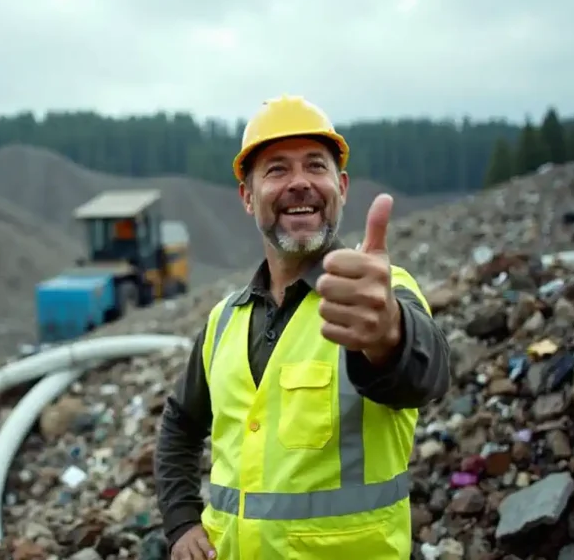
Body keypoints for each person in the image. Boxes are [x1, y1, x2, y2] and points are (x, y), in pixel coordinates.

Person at [154, 95, 451, 560]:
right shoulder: (224, 320)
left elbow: (426, 376)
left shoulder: (381, 294)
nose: (299, 184)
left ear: (342, 187)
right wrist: (181, 522)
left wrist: (390, 336)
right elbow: (180, 422)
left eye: (315, 166)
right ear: (247, 196)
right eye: (276, 170)